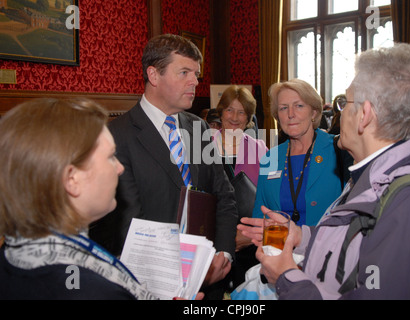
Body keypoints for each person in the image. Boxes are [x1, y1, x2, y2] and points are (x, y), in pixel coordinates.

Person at [240, 43, 410, 299]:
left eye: (344, 103)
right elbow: (352, 238)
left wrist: (288, 279)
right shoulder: (374, 176)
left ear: (365, 114)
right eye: (283, 108)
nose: (291, 114)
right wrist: (300, 235)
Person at [88, 34, 238, 298]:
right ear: (154, 75)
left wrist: (223, 255)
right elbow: (128, 222)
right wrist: (176, 275)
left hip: (210, 276)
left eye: (196, 74)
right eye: (184, 72)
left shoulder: (197, 127)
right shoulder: (117, 136)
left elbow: (224, 196)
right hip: (154, 285)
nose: (195, 82)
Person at [0, 98, 156, 300]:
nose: (120, 168)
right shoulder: (93, 291)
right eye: (110, 156)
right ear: (72, 179)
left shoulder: (12, 252)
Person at [252, 79, 351, 227]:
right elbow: (260, 213)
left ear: (314, 112)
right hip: (278, 247)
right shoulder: (270, 157)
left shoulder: (338, 150)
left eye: (299, 106)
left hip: (324, 246)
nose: (290, 114)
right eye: (283, 108)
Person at [212, 85, 268, 288]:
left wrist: (247, 236)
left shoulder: (261, 149)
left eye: (241, 111)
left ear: (249, 118)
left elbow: (270, 198)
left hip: (249, 242)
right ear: (221, 113)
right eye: (229, 110)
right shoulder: (204, 147)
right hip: (213, 241)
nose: (234, 117)